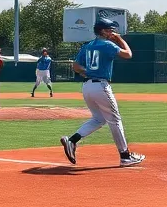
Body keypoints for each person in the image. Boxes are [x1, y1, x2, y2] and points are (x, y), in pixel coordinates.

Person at [59, 19, 144, 167]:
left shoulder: (88, 45)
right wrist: (120, 39)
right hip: (101, 86)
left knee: (99, 119)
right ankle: (125, 156)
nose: (113, 32)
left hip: (87, 87)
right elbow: (128, 54)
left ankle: (72, 141)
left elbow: (76, 66)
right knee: (115, 120)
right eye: (110, 30)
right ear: (103, 31)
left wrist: (88, 72)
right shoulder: (107, 44)